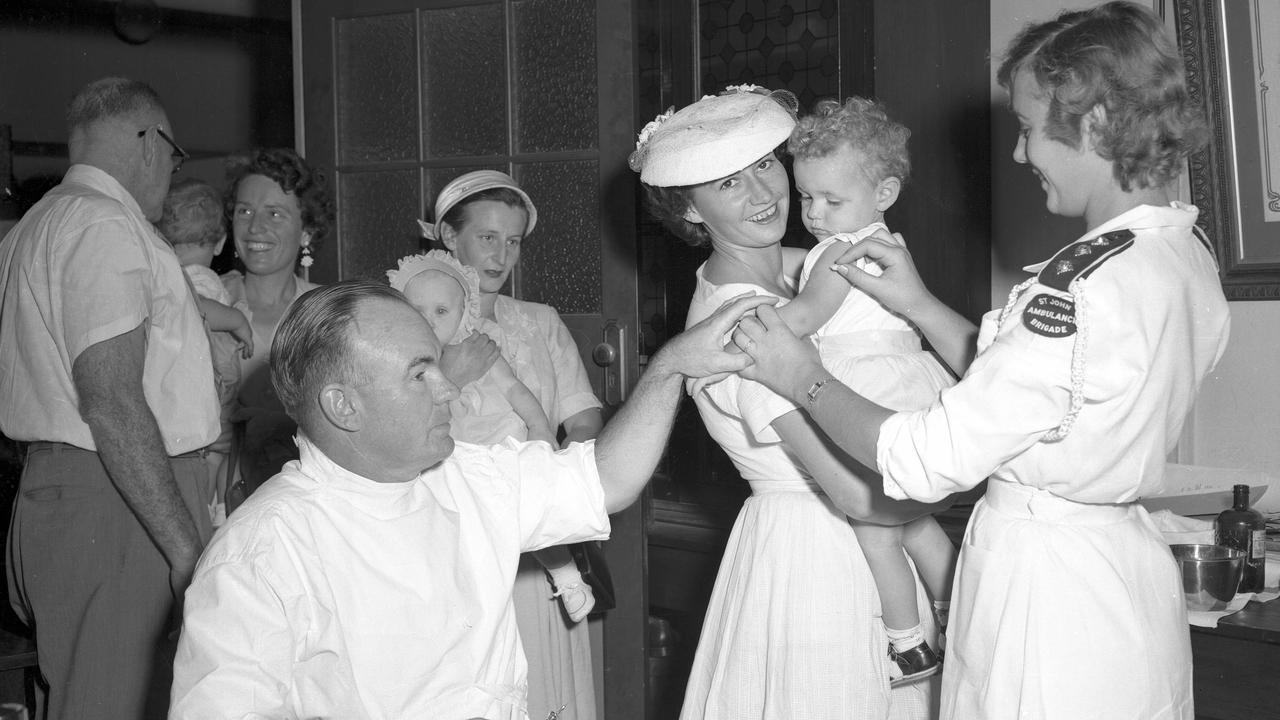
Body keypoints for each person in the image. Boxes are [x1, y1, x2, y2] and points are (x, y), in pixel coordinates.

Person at [730, 4, 1229, 718]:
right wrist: (921, 305)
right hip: (1119, 577)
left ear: (1090, 126)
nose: (1022, 155)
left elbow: (925, 457)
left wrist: (798, 375)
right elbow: (1050, 390)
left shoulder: (1081, 286)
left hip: (1048, 602)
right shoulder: (1182, 253)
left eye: (1028, 130)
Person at [168, 279, 772, 719]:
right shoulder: (261, 553)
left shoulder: (464, 474)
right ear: (342, 406)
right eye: (420, 372)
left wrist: (668, 369)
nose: (450, 389)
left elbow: (606, 480)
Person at [631, 85, 948, 719]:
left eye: (766, 166)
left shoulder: (818, 264)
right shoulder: (733, 323)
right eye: (727, 184)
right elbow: (854, 495)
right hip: (817, 556)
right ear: (689, 211)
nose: (763, 194)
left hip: (885, 543)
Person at [0, 77, 218, 720]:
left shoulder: (34, 226)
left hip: (78, 488)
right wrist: (182, 547)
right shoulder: (104, 225)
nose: (170, 175)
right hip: (121, 500)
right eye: (174, 157)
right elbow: (112, 401)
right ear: (150, 141)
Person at [420, 170, 604, 716]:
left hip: (535, 539)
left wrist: (556, 473)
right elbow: (394, 425)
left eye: (514, 240)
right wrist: (450, 368)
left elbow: (584, 417)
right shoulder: (413, 322)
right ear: (451, 239)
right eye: (487, 238)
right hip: (457, 537)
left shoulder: (540, 322)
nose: (501, 255)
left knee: (543, 682)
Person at [220, 148, 334, 501]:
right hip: (221, 494)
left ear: (307, 231)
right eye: (245, 211)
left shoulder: (328, 312)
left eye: (275, 213)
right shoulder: (203, 302)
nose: (255, 227)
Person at [158, 178, 255, 527]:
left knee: (218, 447)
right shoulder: (189, 280)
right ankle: (208, 506)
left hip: (209, 382)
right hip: (210, 382)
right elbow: (194, 306)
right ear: (220, 243)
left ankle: (210, 504)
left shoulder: (177, 275)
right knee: (216, 447)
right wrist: (235, 319)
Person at [388, 250, 557, 447]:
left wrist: (539, 426)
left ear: (464, 312)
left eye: (441, 311)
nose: (429, 320)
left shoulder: (477, 345)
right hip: (447, 452)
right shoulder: (399, 358)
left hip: (499, 439)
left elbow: (513, 388)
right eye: (417, 310)